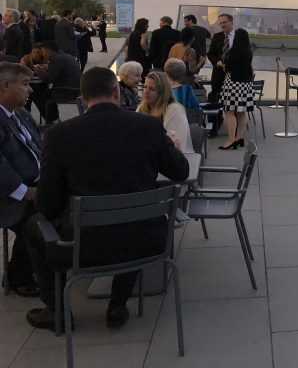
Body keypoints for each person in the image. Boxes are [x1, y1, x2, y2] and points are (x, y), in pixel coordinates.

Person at [24, 67, 189, 331]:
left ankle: (56, 310)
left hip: (83, 246)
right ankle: (118, 303)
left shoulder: (59, 135)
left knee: (33, 225)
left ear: (83, 96)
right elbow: (180, 172)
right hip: (146, 240)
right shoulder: (149, 126)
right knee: (130, 220)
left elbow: (47, 203)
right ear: (117, 93)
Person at [0, 63, 41, 297]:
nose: (30, 90)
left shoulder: (21, 113)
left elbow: (40, 148)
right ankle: (20, 276)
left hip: (34, 185)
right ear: (5, 86)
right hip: (9, 195)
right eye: (25, 84)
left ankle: (34, 267)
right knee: (40, 219)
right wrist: (25, 191)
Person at [137, 71, 194, 153]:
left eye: (152, 89)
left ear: (162, 92)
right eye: (145, 87)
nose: (146, 91)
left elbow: (171, 144)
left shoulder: (174, 109)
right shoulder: (142, 107)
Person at [218, 28, 254, 150]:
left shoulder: (234, 51)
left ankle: (231, 139)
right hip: (246, 84)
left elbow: (228, 67)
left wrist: (221, 64)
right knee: (241, 111)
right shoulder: (249, 51)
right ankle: (239, 137)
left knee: (229, 111)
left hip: (233, 83)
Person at [32, 41, 82, 123]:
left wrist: (38, 71)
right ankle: (54, 117)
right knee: (43, 92)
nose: (43, 55)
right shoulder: (65, 56)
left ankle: (52, 120)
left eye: (43, 52)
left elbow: (47, 78)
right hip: (75, 88)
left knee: (37, 94)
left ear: (48, 50)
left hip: (65, 91)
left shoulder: (56, 59)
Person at [207, 13, 235, 102]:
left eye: (224, 22)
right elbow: (210, 54)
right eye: (221, 23)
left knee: (232, 100)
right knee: (217, 100)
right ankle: (218, 115)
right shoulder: (217, 36)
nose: (222, 25)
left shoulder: (239, 36)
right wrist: (217, 62)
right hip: (218, 73)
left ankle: (231, 115)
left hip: (234, 74)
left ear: (231, 22)